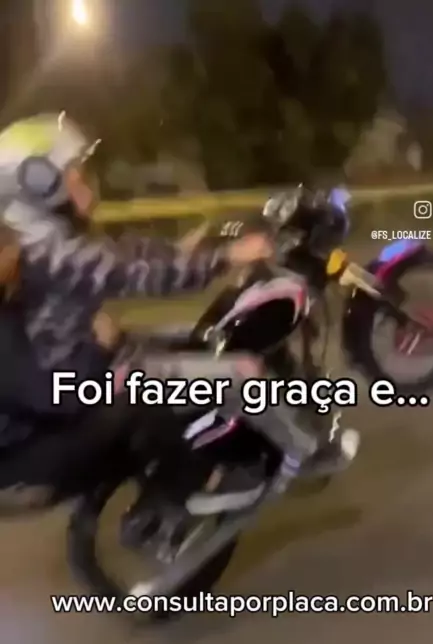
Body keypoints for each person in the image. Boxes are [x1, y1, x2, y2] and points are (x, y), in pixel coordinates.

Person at [0, 113, 359, 514]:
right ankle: (303, 454)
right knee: (243, 372)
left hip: (87, 356)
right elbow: (137, 275)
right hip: (88, 376)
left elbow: (124, 252)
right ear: (40, 186)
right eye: (75, 173)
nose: (87, 180)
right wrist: (227, 257)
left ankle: (231, 444)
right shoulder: (53, 252)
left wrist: (181, 248)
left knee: (208, 334)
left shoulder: (49, 238)